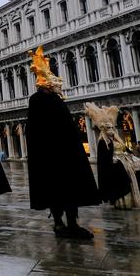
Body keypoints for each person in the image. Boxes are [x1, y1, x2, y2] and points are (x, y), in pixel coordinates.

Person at [26, 47, 99, 239]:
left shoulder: (58, 101)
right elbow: (36, 132)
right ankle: (59, 224)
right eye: (57, 83)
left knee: (71, 189)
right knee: (55, 190)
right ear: (48, 84)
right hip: (50, 157)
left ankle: (73, 223)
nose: (60, 86)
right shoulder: (37, 101)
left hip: (68, 155)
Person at [85, 103, 140, 210]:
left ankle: (132, 200)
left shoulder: (117, 139)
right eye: (108, 128)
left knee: (132, 179)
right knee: (122, 183)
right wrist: (113, 159)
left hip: (125, 163)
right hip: (115, 167)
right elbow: (104, 158)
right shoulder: (103, 142)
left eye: (111, 128)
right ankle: (120, 202)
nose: (110, 131)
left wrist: (130, 155)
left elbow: (125, 149)